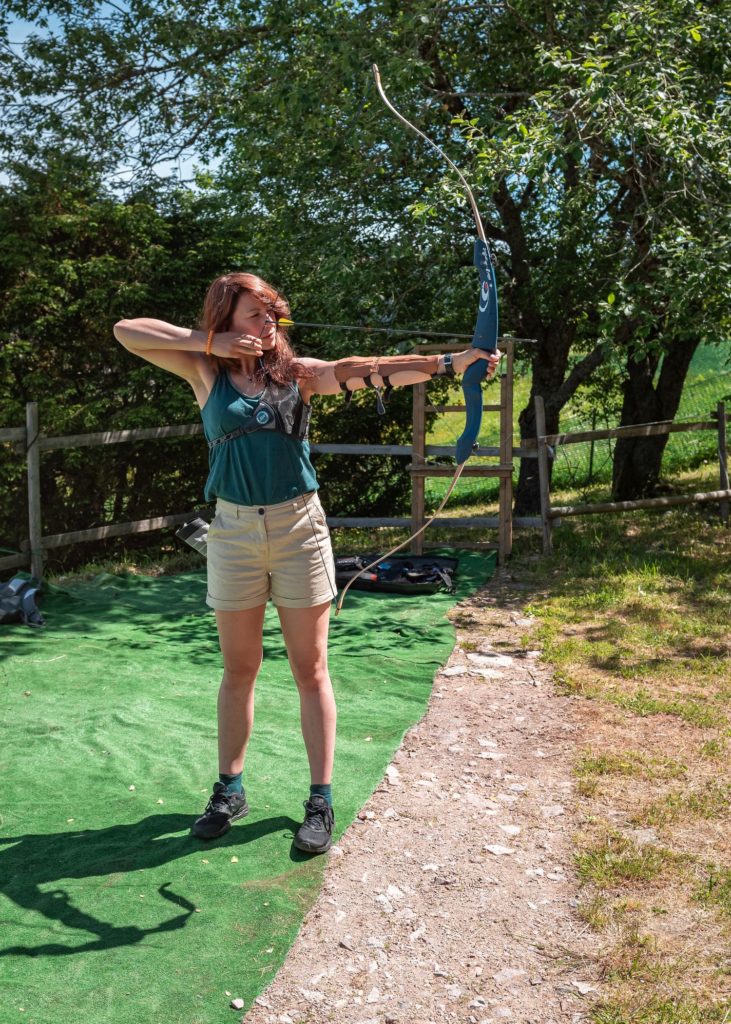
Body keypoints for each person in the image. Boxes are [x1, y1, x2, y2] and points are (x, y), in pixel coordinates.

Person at [114, 272, 500, 854]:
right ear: (226, 319)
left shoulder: (296, 374)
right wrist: (211, 344)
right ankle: (229, 790)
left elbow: (364, 368)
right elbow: (128, 331)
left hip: (299, 528)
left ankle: (319, 798)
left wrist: (452, 363)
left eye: (272, 315)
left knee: (310, 668)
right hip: (235, 532)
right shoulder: (205, 372)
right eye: (254, 315)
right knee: (239, 668)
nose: (268, 325)